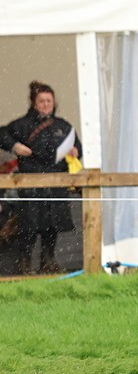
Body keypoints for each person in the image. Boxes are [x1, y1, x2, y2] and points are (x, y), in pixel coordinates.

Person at [0, 81, 82, 274]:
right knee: (28, 226)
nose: (46, 104)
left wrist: (76, 150)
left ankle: (48, 261)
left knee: (51, 226)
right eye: (42, 101)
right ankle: (25, 264)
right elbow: (2, 134)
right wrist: (15, 146)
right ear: (34, 103)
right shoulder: (22, 125)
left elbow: (78, 145)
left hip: (56, 183)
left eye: (49, 101)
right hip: (31, 183)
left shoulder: (63, 126)